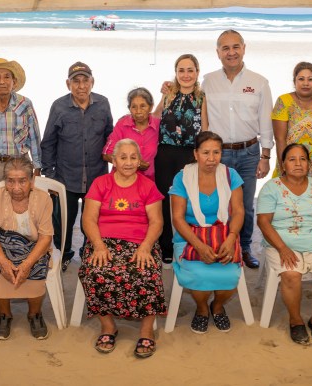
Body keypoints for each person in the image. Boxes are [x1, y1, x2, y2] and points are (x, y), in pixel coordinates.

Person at [79, 139, 165, 359]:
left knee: (147, 272)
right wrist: (98, 246)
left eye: (133, 157)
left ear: (140, 161)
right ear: (114, 160)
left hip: (140, 242)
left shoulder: (148, 186)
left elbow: (157, 222)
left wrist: (146, 247)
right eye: (123, 157)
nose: (128, 162)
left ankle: (146, 330)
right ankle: (108, 326)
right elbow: (88, 219)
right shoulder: (100, 183)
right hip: (104, 240)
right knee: (95, 271)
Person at [202, 29, 273, 269]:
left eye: (235, 47)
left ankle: (244, 247)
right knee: (218, 203)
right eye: (225, 48)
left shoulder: (260, 82)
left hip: (249, 153)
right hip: (218, 154)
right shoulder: (208, 81)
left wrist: (266, 156)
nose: (231, 52)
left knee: (245, 206)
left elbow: (266, 121)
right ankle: (219, 245)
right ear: (218, 52)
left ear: (244, 48)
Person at [256, 143, 312, 345]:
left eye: (302, 159)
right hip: (281, 243)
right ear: (283, 164)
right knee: (292, 275)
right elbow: (263, 222)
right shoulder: (271, 187)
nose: (298, 164)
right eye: (292, 159)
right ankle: (295, 321)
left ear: (309, 164)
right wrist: (283, 248)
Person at [40, 61, 114, 270]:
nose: (81, 86)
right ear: (68, 84)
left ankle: (88, 254)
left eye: (85, 81)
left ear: (92, 82)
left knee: (91, 221)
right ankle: (63, 255)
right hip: (65, 178)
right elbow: (48, 142)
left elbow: (111, 135)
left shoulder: (103, 103)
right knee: (62, 220)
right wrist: (50, 176)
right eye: (76, 81)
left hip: (97, 177)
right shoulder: (59, 106)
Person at [170, 131, 245, 334]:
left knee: (230, 276)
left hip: (223, 235)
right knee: (198, 273)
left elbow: (238, 211)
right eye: (205, 153)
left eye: (216, 153)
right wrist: (199, 245)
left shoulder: (231, 176)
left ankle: (217, 306)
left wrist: (231, 238)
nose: (211, 159)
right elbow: (178, 218)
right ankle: (202, 309)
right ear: (195, 154)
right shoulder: (182, 177)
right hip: (189, 238)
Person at [0, 156, 54, 340]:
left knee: (37, 270)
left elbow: (46, 237)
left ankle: (34, 314)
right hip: (4, 244)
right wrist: (4, 263)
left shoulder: (43, 198)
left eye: (22, 181)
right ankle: (4, 314)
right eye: (10, 181)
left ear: (31, 180)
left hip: (34, 246)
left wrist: (27, 264)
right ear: (4, 181)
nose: (16, 188)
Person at [154, 54, 207, 264]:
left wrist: (204, 156)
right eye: (181, 70)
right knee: (165, 200)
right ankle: (165, 246)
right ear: (176, 73)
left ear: (197, 72)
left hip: (189, 154)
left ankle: (188, 244)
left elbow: (205, 127)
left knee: (188, 200)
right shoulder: (168, 94)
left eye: (190, 70)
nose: (186, 75)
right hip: (165, 154)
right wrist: (161, 96)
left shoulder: (202, 97)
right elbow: (155, 118)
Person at [0, 58, 41, 202]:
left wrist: (37, 169)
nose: (2, 81)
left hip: (20, 163)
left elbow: (34, 137)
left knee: (22, 205)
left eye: (7, 77)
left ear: (14, 82)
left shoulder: (25, 104)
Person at [271, 62, 312, 183]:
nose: (306, 83)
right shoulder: (284, 102)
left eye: (310, 79)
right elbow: (280, 140)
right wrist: (285, 168)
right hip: (290, 168)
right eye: (301, 79)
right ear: (294, 81)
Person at [103, 88, 159, 181]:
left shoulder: (158, 125)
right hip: (121, 180)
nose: (138, 111)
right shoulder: (122, 124)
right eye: (134, 107)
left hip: (148, 182)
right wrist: (136, 163)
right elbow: (106, 154)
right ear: (129, 108)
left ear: (151, 107)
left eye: (143, 106)